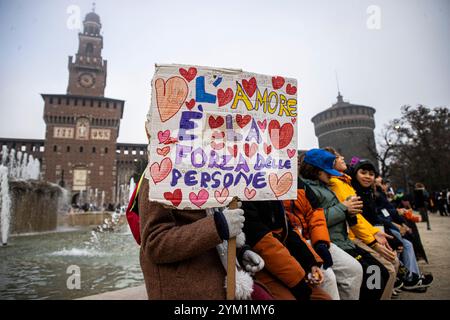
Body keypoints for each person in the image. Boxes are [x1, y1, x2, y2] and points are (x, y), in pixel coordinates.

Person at [138, 176, 267, 299]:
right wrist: (218, 226)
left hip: (219, 286)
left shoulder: (207, 170)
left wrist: (240, 252)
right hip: (186, 293)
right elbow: (154, 242)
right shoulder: (158, 172)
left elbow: (217, 230)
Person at [299, 149, 389, 300]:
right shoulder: (308, 189)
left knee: (378, 273)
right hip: (333, 242)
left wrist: (350, 213)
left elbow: (341, 214)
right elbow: (315, 220)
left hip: (344, 241)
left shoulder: (324, 185)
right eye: (327, 170)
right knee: (374, 272)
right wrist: (344, 208)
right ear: (315, 170)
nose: (331, 173)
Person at [283, 169, 363, 300]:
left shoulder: (301, 184)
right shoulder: (264, 185)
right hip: (293, 242)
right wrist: (343, 208)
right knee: (327, 277)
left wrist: (320, 242)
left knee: (354, 269)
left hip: (314, 238)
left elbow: (316, 216)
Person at [241, 200, 332, 300]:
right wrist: (297, 281)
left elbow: (288, 230)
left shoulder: (274, 195)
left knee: (324, 296)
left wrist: (310, 263)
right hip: (258, 267)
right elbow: (263, 243)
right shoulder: (245, 197)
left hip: (287, 265)